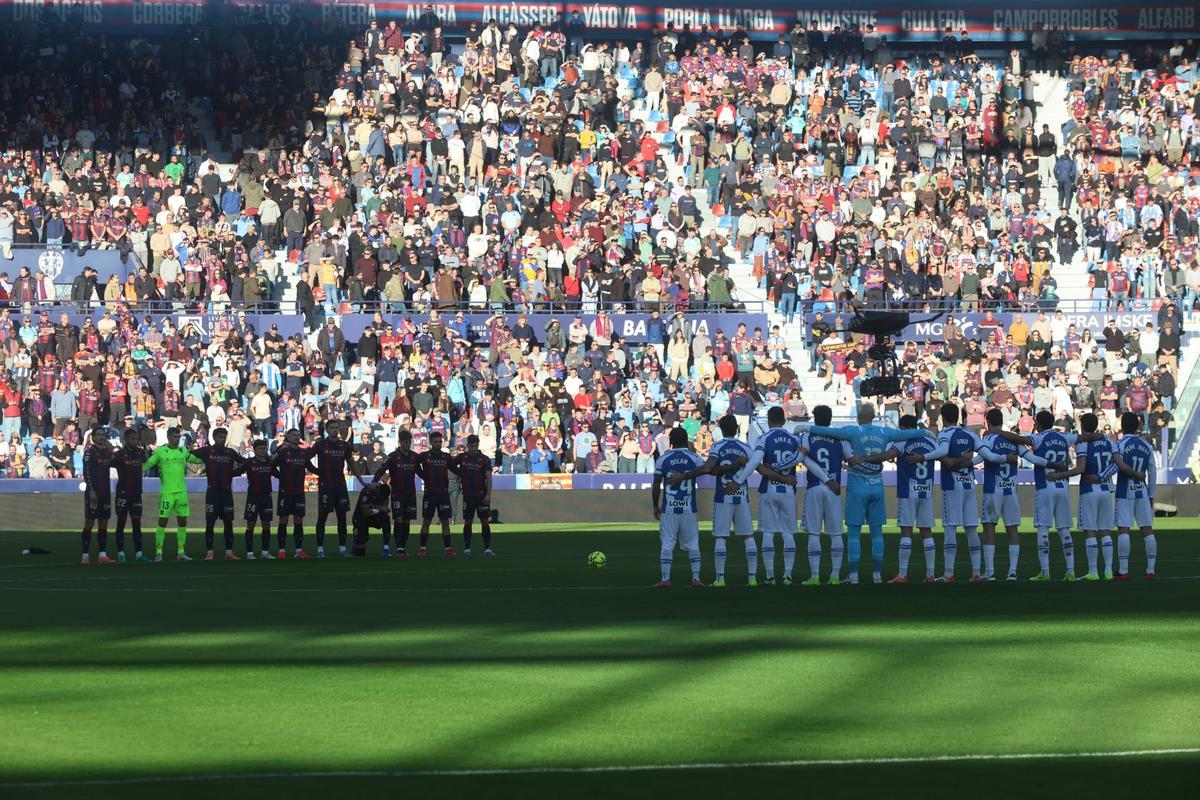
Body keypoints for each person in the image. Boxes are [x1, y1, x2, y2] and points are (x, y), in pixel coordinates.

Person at [802, 402, 929, 584]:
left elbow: (828, 432)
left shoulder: (852, 432)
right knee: (877, 533)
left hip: (857, 484)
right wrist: (924, 432)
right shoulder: (884, 432)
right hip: (877, 484)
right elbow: (906, 433)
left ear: (859, 417)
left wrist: (806, 427)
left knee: (854, 533)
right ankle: (877, 575)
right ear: (874, 417)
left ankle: (853, 575)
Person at [669, 415, 757, 586]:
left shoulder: (717, 446)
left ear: (721, 430)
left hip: (723, 496)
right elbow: (756, 466)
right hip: (741, 495)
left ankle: (720, 578)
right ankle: (752, 578)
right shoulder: (745, 447)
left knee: (721, 537)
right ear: (737, 428)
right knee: (748, 536)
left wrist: (684, 476)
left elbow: (708, 468)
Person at [750, 406, 828, 586]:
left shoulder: (763, 438)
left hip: (768, 489)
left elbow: (758, 464)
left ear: (769, 421)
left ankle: (769, 577)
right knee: (788, 533)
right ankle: (787, 576)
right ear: (784, 421)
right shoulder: (794, 439)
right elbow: (803, 460)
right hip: (788, 491)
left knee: (768, 533)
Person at [911, 403, 983, 582]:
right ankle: (976, 573)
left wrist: (923, 457)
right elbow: (984, 454)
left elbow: (943, 452)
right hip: (969, 485)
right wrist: (970, 463)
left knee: (950, 527)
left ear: (942, 418)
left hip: (952, 486)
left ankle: (949, 573)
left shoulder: (944, 434)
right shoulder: (969, 434)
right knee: (972, 528)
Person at [863, 414, 938, 583]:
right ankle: (931, 574)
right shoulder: (930, 442)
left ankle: (902, 575)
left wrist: (865, 458)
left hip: (907, 492)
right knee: (927, 532)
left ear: (902, 428)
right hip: (926, 491)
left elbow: (885, 456)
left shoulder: (902, 442)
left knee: (906, 532)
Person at [1022, 410, 1091, 581]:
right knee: (1064, 529)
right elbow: (1082, 438)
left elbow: (1021, 440)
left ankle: (1045, 572)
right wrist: (1098, 436)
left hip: (1045, 486)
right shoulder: (1064, 437)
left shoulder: (1038, 438)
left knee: (1043, 528)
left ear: (1037, 424)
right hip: (1062, 487)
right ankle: (1070, 571)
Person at [976, 409, 1037, 581]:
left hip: (992, 490)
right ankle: (1012, 572)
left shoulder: (988, 439)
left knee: (989, 528)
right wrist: (1051, 464)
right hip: (1010, 490)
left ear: (987, 422)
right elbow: (1030, 458)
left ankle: (989, 572)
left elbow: (979, 459)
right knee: (1012, 529)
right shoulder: (1013, 440)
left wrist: (962, 463)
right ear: (1002, 421)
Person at [1052, 413, 1114, 580]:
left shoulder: (1083, 443)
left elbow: (1080, 469)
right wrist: (1102, 476)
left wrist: (1059, 475)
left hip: (1089, 489)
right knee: (1105, 530)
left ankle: (1093, 572)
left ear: (1083, 426)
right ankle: (1108, 571)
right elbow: (1117, 464)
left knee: (1090, 531)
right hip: (1106, 488)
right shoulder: (1108, 440)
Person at [796, 405, 846, 584]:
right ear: (830, 418)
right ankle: (835, 576)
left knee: (814, 533)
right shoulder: (840, 438)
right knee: (836, 533)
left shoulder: (806, 436)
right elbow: (851, 458)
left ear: (814, 419)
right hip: (834, 489)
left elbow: (803, 459)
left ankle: (815, 576)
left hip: (815, 487)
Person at [650, 427, 705, 588]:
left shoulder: (663, 459)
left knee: (667, 544)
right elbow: (706, 469)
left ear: (671, 442)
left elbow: (656, 484)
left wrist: (655, 505)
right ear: (686, 440)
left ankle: (666, 579)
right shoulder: (694, 458)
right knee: (693, 544)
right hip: (689, 508)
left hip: (669, 509)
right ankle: (696, 579)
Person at [142, 426, 204, 561]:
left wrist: (209, 457)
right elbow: (147, 465)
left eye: (178, 437)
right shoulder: (160, 451)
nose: (176, 439)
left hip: (181, 492)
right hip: (167, 493)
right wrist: (134, 468)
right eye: (174, 437)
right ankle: (159, 552)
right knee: (162, 521)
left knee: (182, 521)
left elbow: (196, 459)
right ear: (169, 437)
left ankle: (181, 552)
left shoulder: (183, 451)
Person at [307, 420, 365, 558]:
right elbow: (305, 458)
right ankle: (320, 549)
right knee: (322, 517)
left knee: (342, 517)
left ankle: (342, 549)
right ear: (326, 429)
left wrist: (361, 480)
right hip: (325, 486)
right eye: (332, 428)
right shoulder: (320, 444)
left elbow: (351, 463)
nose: (334, 430)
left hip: (340, 486)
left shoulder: (344, 445)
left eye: (336, 428)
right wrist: (316, 470)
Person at [1111, 412, 1157, 580]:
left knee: (1124, 529)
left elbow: (1115, 467)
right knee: (1147, 530)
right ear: (1138, 426)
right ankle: (1150, 570)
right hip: (1142, 492)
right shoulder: (1146, 446)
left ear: (1122, 426)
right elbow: (1152, 472)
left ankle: (1123, 571)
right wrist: (1151, 495)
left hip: (1124, 491)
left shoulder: (1120, 445)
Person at [192, 427, 247, 560]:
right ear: (214, 438)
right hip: (212, 493)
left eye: (224, 437)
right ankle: (210, 552)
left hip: (227, 493)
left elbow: (244, 463)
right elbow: (190, 454)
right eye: (220, 437)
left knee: (228, 523)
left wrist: (234, 473)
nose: (222, 439)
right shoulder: (206, 451)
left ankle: (229, 552)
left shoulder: (230, 452)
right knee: (210, 523)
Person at [374, 429, 421, 557]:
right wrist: (374, 483)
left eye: (409, 442)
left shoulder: (414, 457)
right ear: (400, 442)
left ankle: (403, 547)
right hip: (398, 494)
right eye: (405, 442)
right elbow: (380, 470)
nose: (407, 444)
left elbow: (420, 473)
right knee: (399, 519)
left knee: (407, 521)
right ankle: (399, 548)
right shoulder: (393, 456)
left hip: (411, 494)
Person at [449, 434, 494, 556]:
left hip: (481, 495)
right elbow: (450, 465)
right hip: (468, 495)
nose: (474, 448)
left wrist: (488, 495)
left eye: (476, 446)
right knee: (468, 521)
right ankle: (467, 548)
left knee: (485, 521)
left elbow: (489, 479)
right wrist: (460, 473)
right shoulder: (462, 457)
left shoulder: (484, 459)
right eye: (472, 446)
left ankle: (487, 548)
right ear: (468, 445)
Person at [234, 439, 278, 559]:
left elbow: (277, 474)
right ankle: (249, 553)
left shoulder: (269, 462)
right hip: (253, 497)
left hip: (267, 497)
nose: (262, 450)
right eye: (260, 448)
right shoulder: (249, 462)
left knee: (266, 525)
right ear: (254, 450)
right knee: (250, 525)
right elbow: (237, 472)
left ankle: (265, 552)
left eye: (264, 448)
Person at [111, 428, 150, 563]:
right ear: (126, 439)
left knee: (137, 523)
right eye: (132, 439)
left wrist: (145, 449)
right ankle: (121, 553)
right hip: (123, 492)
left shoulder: (140, 453)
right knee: (121, 522)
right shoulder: (120, 455)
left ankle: (139, 554)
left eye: (136, 438)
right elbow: (109, 463)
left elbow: (146, 460)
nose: (135, 441)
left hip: (136, 493)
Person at [272, 428, 311, 559]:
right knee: (283, 520)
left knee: (298, 520)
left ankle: (299, 550)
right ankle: (282, 550)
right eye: (293, 435)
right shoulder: (282, 452)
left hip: (299, 492)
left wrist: (322, 472)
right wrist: (280, 476)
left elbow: (310, 467)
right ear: (288, 437)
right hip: (285, 492)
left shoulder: (303, 453)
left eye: (298, 435)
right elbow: (272, 466)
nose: (296, 437)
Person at [417, 430, 455, 556]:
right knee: (426, 521)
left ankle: (448, 548)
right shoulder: (424, 456)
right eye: (436, 442)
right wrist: (424, 476)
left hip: (443, 494)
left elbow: (456, 469)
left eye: (440, 442)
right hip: (430, 494)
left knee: (445, 521)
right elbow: (415, 466)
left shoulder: (446, 456)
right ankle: (422, 548)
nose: (438, 444)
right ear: (431, 443)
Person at [81, 428, 115, 565]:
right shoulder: (90, 452)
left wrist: (113, 451)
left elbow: (114, 462)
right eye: (98, 435)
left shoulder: (106, 452)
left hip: (105, 492)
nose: (101, 437)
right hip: (94, 492)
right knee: (90, 521)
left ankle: (102, 554)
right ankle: (85, 555)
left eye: (103, 434)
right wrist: (91, 490)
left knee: (104, 522)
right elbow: (86, 472)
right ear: (93, 438)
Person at [352, 480, 391, 557]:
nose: (382, 498)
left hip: (374, 517)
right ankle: (356, 543)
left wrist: (381, 509)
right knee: (360, 552)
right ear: (377, 491)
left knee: (386, 518)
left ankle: (386, 548)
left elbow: (385, 508)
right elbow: (365, 513)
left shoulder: (385, 494)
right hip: (361, 518)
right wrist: (380, 509)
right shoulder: (367, 493)